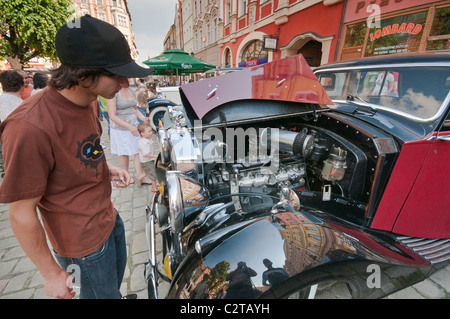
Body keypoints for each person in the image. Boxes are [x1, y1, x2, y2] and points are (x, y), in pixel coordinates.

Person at [0, 15, 152, 299]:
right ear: (83, 75)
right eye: (116, 74)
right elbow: (20, 213)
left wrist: (105, 168)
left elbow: (80, 152)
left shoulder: (90, 102)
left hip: (109, 220)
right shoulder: (29, 127)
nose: (124, 82)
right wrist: (50, 273)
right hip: (82, 248)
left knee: (112, 291)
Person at [106, 83, 150, 184]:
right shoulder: (112, 92)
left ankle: (140, 177)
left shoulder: (130, 90)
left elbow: (134, 109)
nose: (128, 79)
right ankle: (125, 176)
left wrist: (143, 118)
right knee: (123, 153)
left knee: (138, 151)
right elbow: (112, 116)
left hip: (133, 126)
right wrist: (128, 126)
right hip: (120, 129)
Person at [137, 122, 157, 190]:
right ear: (142, 133)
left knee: (148, 172)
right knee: (153, 175)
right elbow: (146, 154)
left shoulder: (148, 139)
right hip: (146, 161)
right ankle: (154, 188)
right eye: (149, 131)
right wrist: (155, 156)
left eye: (151, 131)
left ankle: (139, 178)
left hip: (149, 160)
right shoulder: (143, 143)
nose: (151, 133)